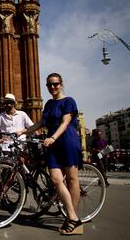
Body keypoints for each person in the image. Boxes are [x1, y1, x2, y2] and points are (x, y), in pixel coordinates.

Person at [23, 73, 83, 235]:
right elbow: (41, 123)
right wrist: (23, 131)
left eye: (55, 84)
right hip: (52, 144)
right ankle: (73, 218)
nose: (52, 87)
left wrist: (53, 137)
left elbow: (65, 122)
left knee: (72, 179)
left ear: (61, 84)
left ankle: (72, 219)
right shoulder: (49, 104)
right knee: (56, 180)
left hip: (67, 140)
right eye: (49, 85)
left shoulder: (69, 101)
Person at [0, 93, 34, 157]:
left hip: (22, 145)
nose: (7, 105)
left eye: (9, 103)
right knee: (8, 165)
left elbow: (32, 127)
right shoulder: (0, 117)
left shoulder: (22, 114)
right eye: (5, 103)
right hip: (7, 146)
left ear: (14, 103)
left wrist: (22, 131)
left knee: (22, 164)